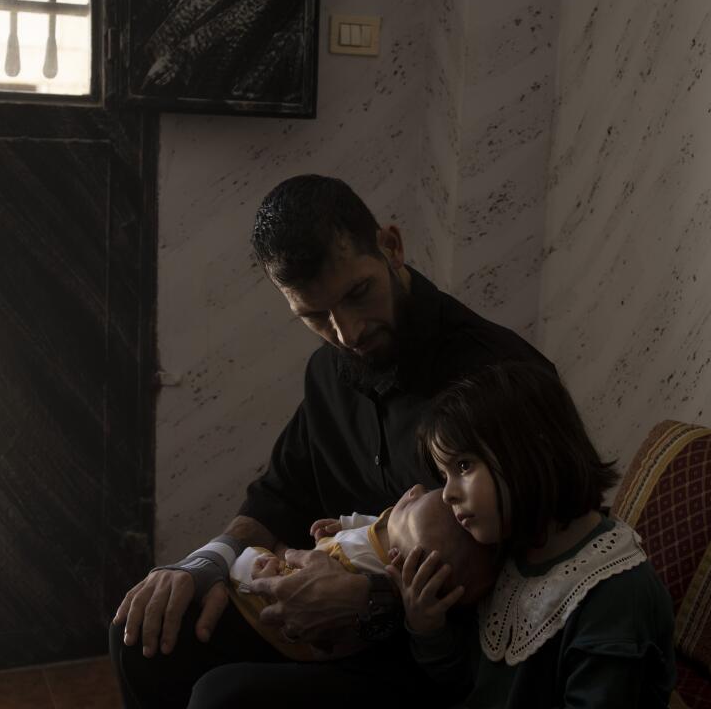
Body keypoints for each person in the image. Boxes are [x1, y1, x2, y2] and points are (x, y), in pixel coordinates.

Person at [109, 174, 551, 708]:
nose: (348, 333)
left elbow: (530, 572)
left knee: (223, 698)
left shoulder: (500, 375)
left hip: (442, 657)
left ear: (391, 246)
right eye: (315, 316)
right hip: (336, 633)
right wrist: (206, 562)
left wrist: (372, 603)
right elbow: (281, 493)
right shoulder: (330, 371)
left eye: (358, 293)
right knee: (146, 636)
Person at [389, 362, 678, 708]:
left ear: (530, 450)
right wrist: (428, 628)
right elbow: (470, 684)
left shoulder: (615, 595)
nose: (448, 494)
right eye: (443, 474)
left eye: (463, 466)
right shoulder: (504, 550)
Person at [228, 484, 498, 661]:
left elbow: (313, 596)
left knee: (252, 560)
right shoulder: (390, 527)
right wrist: (341, 525)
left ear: (402, 561)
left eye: (410, 506)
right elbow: (373, 523)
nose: (413, 490)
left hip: (280, 613)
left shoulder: (370, 566)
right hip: (298, 569)